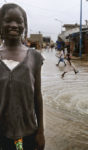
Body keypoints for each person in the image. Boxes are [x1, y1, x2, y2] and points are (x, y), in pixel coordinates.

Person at [0, 3, 45, 150]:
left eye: (19, 21)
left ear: (24, 25)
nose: (14, 25)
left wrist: (41, 131)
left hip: (27, 132)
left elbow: (37, 97)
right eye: (8, 21)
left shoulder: (34, 57)